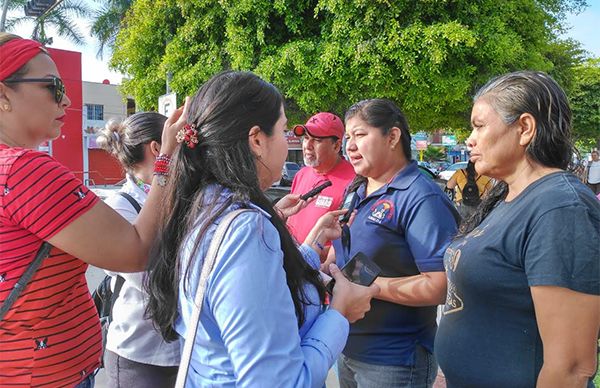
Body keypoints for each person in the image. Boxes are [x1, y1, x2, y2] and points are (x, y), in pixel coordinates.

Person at [145, 71, 379, 387]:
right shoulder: (244, 231)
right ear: (256, 140)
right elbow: (281, 382)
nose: (292, 145)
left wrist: (311, 245)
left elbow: (264, 287)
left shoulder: (201, 203)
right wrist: (339, 313)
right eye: (284, 131)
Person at [0, 33, 183, 387]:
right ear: (4, 94)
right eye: (53, 87)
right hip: (43, 375)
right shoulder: (24, 169)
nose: (66, 100)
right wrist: (166, 162)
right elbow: (138, 251)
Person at [435, 71, 600, 388]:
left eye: (479, 125)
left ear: (524, 128)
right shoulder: (507, 196)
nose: (470, 138)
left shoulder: (560, 208)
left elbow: (571, 367)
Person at [324, 99, 459, 388]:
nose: (349, 145)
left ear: (393, 137)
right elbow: (344, 250)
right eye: (347, 137)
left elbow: (441, 285)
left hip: (393, 360)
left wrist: (366, 287)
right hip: (345, 346)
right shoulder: (357, 189)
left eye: (360, 135)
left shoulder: (421, 198)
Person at [96, 112, 180, 387]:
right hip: (139, 354)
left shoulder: (179, 196)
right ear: (158, 148)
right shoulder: (119, 206)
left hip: (183, 349)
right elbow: (152, 279)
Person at [287, 112, 355, 250]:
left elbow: (351, 239)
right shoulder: (301, 174)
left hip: (322, 268)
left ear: (336, 146)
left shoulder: (354, 181)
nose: (308, 145)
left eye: (317, 140)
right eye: (306, 138)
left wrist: (308, 251)